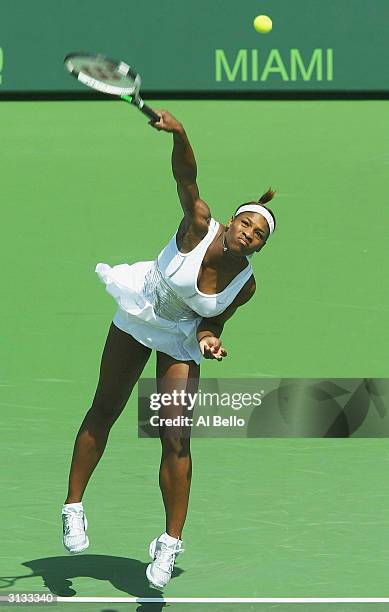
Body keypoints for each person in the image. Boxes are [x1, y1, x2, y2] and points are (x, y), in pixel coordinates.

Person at [61, 109, 276, 590]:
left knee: (176, 435)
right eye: (246, 223)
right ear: (232, 222)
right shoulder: (199, 225)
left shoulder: (245, 285)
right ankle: (73, 505)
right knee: (106, 407)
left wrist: (210, 337)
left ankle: (170, 541)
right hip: (143, 309)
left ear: (260, 246)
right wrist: (180, 133)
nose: (249, 233)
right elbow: (187, 177)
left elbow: (212, 318)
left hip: (179, 335)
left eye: (258, 234)